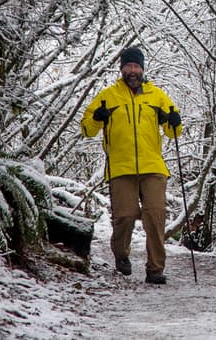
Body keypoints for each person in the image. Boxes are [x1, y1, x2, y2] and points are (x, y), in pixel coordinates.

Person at [81, 45, 182, 284]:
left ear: (143, 69)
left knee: (156, 216)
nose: (133, 71)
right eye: (129, 66)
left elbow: (173, 133)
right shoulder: (108, 96)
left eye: (137, 66)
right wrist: (97, 118)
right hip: (121, 167)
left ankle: (155, 269)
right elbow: (86, 129)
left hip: (153, 166)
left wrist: (175, 121)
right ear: (122, 68)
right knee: (124, 217)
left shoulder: (157, 96)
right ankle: (121, 255)